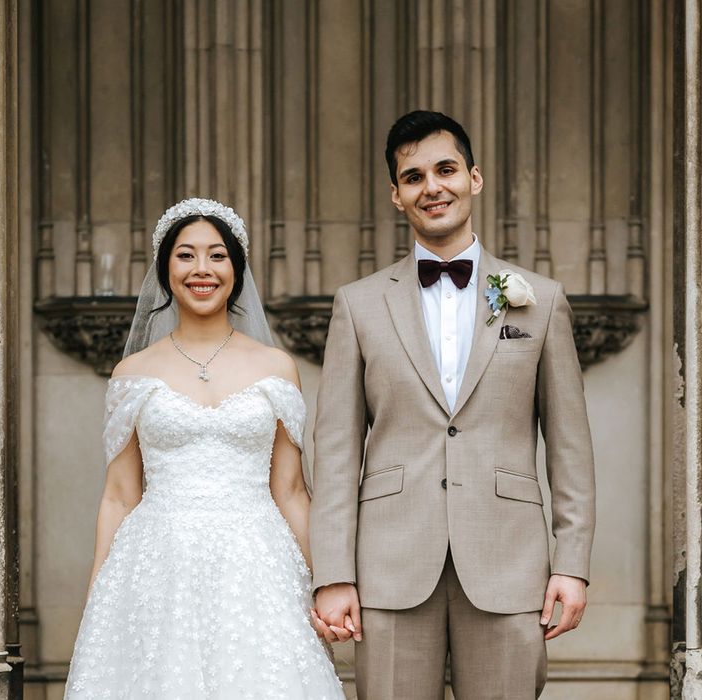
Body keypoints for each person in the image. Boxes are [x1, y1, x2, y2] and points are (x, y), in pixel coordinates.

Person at [309, 110, 596, 699]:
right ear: (396, 195)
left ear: (475, 178)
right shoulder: (358, 305)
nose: (432, 187)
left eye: (446, 169)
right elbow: (335, 450)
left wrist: (571, 563)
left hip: (509, 563)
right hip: (388, 567)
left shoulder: (538, 300)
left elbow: (570, 446)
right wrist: (333, 574)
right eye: (413, 177)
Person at [64, 198, 344, 699]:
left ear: (236, 269)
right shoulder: (133, 373)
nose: (202, 270)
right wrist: (99, 592)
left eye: (217, 255)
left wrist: (325, 584)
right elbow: (120, 495)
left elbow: (293, 490)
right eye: (186, 255)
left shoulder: (276, 368)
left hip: (256, 565)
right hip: (158, 561)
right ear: (165, 267)